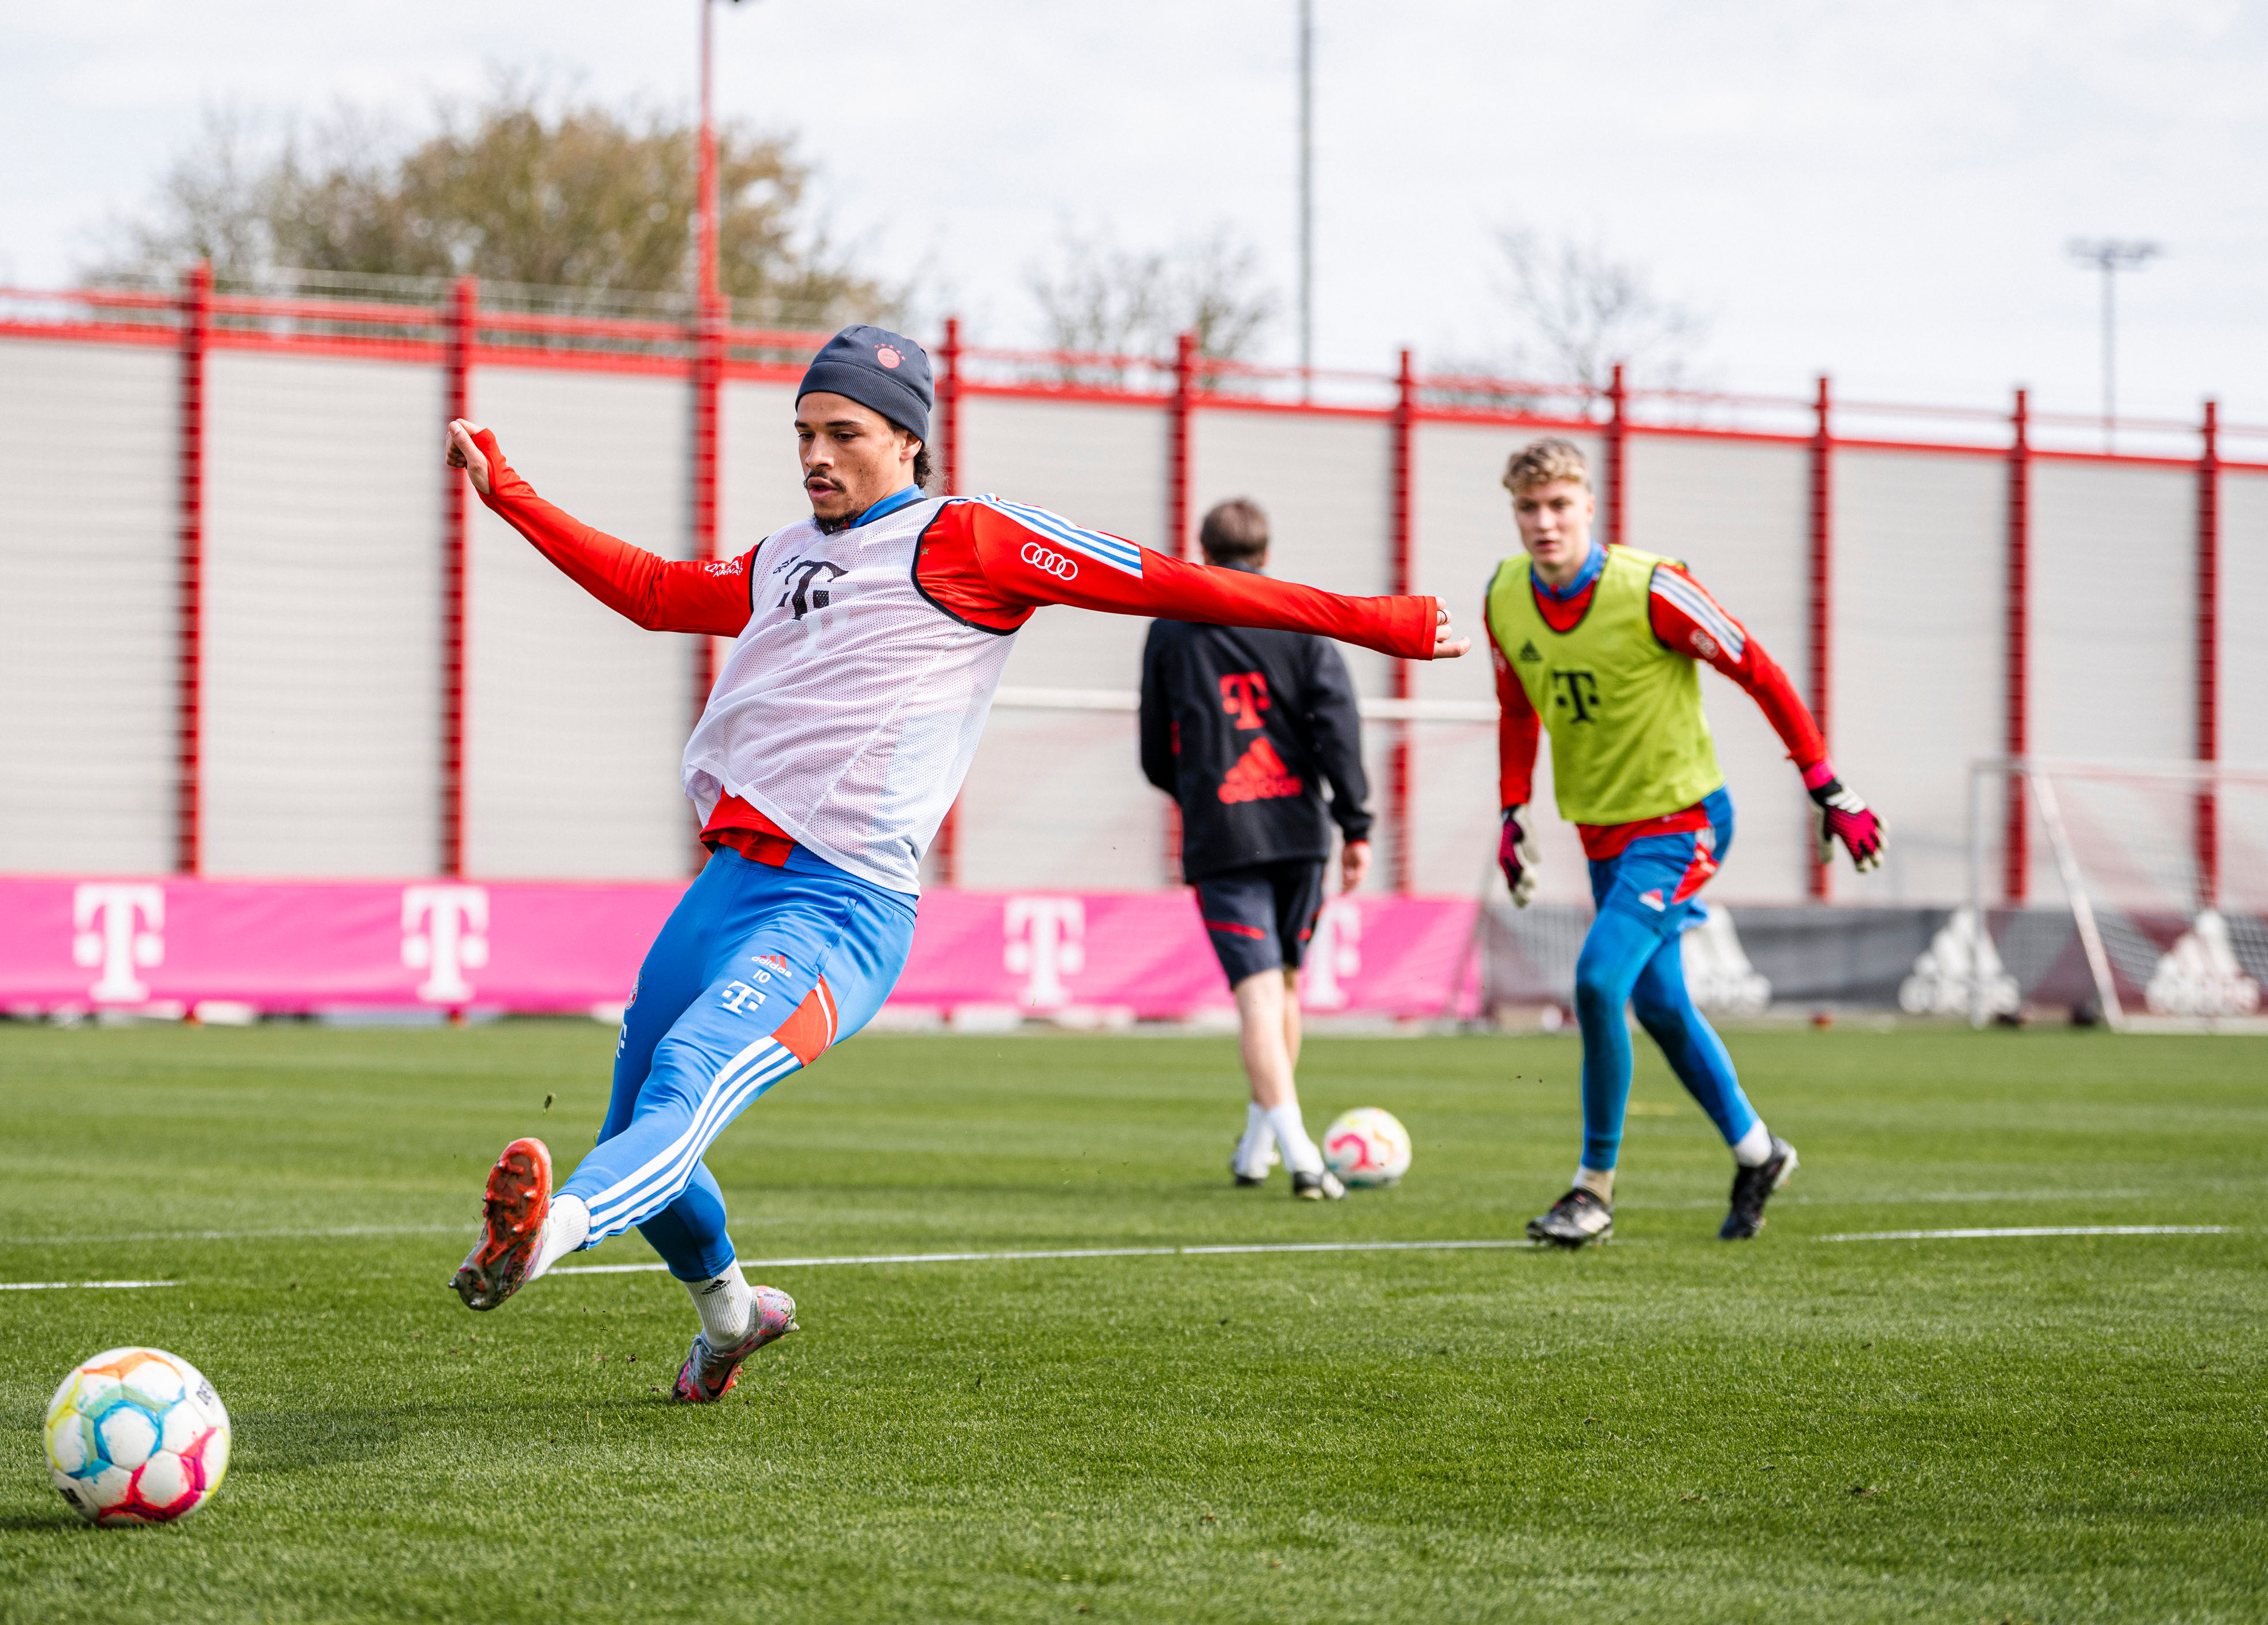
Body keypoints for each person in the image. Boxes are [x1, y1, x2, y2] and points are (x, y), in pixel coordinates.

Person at [442, 324, 1469, 1401]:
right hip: (727, 888)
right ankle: (735, 1318)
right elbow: (654, 591)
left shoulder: (971, 540)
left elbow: (1170, 582)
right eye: (804, 433)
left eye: (843, 432)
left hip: (839, 909)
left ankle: (538, 1241)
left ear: (908, 441)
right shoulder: (790, 552)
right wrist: (507, 489)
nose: (815, 455)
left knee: (686, 1086)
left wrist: (1374, 622)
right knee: (645, 1146)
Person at [1482, 438, 1886, 1247]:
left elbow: (1759, 669)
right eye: (1529, 507)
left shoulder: (1655, 589)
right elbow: (1519, 708)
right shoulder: (1504, 595)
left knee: (1598, 982)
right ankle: (1758, 1151)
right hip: (1603, 831)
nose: (1544, 522)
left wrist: (1827, 784)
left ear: (1590, 507)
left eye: (1559, 505)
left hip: (1683, 822)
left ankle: (1591, 1189)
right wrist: (1512, 811)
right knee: (1659, 1003)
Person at [1138, 497, 1374, 1200]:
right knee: (1285, 989)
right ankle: (1270, 1143)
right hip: (1301, 831)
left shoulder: (1170, 630)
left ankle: (1290, 1146)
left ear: (1202, 552)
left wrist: (1194, 795)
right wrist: (1355, 823)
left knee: (1260, 996)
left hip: (1225, 833)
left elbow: (1154, 744)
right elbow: (1339, 725)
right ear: (1266, 555)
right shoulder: (1299, 620)